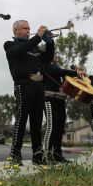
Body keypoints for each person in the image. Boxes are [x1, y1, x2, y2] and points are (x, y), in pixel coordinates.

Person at [3, 20, 54, 165]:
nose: (27, 30)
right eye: (24, 28)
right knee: (21, 120)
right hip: (23, 85)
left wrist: (50, 43)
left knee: (36, 122)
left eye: (29, 28)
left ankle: (38, 155)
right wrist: (37, 37)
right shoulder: (10, 45)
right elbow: (20, 50)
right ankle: (15, 154)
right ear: (15, 31)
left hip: (39, 86)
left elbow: (47, 59)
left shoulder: (35, 48)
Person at [42, 53, 84, 163]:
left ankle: (57, 155)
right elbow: (60, 72)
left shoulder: (56, 67)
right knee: (51, 128)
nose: (57, 56)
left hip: (60, 100)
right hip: (50, 99)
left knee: (60, 129)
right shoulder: (45, 65)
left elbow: (67, 78)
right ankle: (46, 155)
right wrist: (75, 72)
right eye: (54, 54)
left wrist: (78, 73)